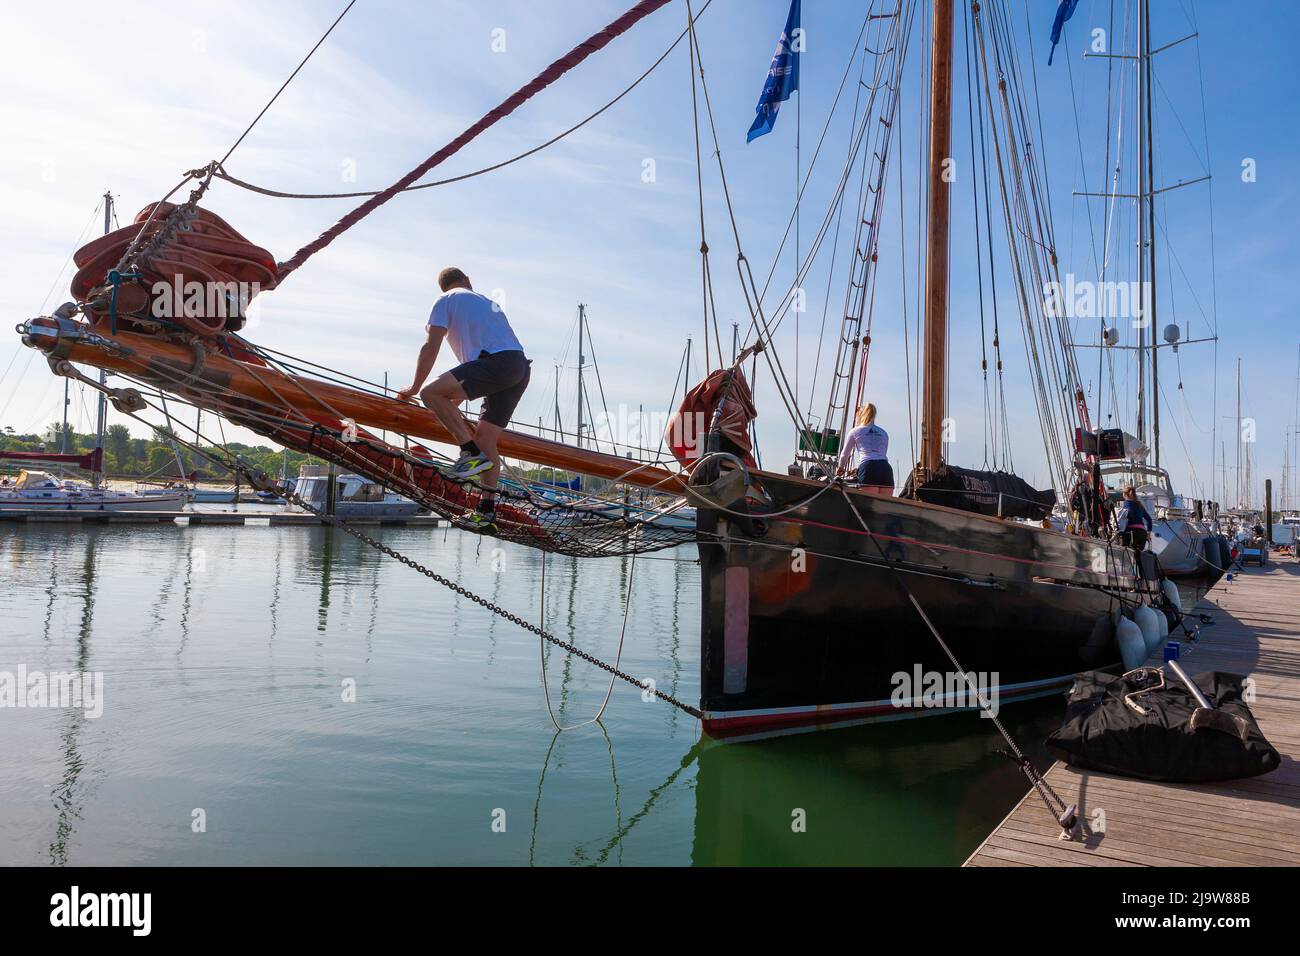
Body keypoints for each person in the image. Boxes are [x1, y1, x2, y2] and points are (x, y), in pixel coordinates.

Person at [396, 267, 531, 532]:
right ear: (467, 280)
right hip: (518, 367)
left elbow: (430, 345)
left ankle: (469, 453)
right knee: (486, 440)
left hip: (495, 363)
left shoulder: (445, 299)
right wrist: (447, 405)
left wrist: (413, 388)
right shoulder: (485, 302)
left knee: (429, 392)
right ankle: (486, 511)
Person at [837, 403, 894, 494]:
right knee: (883, 505)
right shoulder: (883, 433)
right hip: (885, 468)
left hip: (869, 468)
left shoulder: (855, 431)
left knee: (867, 503)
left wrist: (841, 467)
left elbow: (845, 454)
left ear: (860, 415)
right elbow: (883, 453)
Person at [1115, 485, 1152, 551]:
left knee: (1126, 554)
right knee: (1138, 554)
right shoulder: (1140, 505)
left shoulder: (1125, 504)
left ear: (1125, 494)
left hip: (1131, 533)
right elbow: (1149, 520)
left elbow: (1121, 520)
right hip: (1142, 533)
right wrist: (1148, 534)